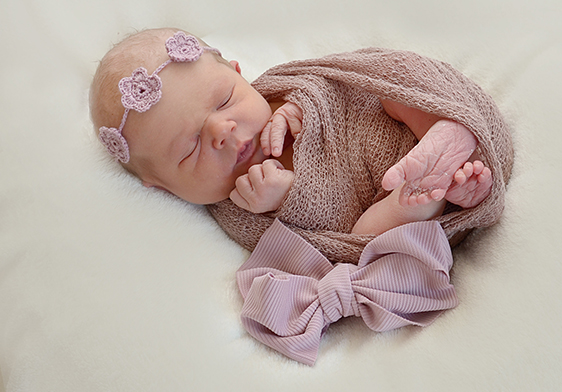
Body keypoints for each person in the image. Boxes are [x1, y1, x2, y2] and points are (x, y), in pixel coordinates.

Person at [90, 28, 513, 263]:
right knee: (368, 239)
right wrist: (287, 198)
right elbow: (323, 243)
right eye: (190, 148)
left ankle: (443, 130)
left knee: (392, 84)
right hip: (383, 199)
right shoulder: (241, 213)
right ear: (164, 186)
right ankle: (431, 197)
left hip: (387, 124)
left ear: (239, 73)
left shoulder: (279, 87)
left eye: (225, 100)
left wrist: (302, 104)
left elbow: (337, 81)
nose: (222, 129)